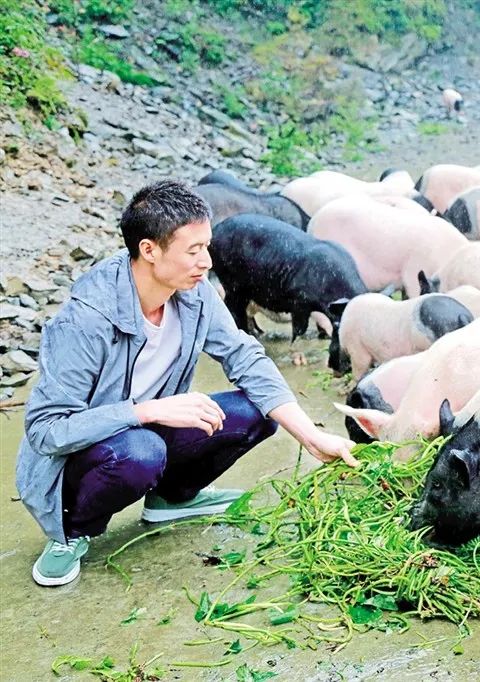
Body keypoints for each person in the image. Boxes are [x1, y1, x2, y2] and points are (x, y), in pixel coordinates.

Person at [15, 180, 359, 587]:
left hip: (149, 431)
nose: (207, 261)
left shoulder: (194, 294)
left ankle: (171, 498)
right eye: (193, 251)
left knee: (258, 412)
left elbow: (245, 356)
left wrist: (308, 435)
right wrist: (146, 411)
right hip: (87, 453)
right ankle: (71, 532)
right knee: (140, 450)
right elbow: (46, 430)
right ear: (149, 250)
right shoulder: (85, 320)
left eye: (207, 247)